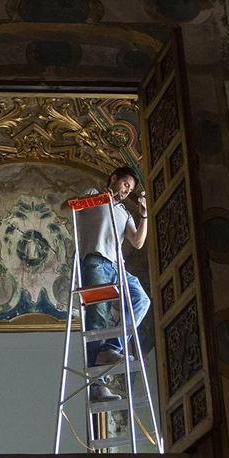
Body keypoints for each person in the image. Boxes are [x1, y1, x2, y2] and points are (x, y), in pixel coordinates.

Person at [73, 166, 150, 403]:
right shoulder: (92, 195)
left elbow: (137, 242)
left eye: (131, 189)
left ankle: (111, 347)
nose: (127, 191)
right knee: (98, 318)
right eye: (126, 184)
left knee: (142, 299)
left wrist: (144, 215)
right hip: (95, 262)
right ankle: (97, 386)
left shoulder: (124, 212)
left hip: (118, 267)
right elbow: (68, 206)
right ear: (114, 178)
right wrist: (100, 197)